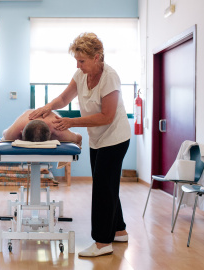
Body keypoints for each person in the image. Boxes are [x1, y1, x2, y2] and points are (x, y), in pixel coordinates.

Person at [29, 32, 131, 257]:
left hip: (115, 138)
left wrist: (71, 122)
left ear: (97, 57)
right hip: (98, 138)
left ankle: (103, 243)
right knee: (107, 184)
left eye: (82, 60)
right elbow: (64, 99)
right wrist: (48, 107)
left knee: (103, 187)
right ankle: (119, 230)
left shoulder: (109, 77)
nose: (78, 64)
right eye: (76, 59)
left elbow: (106, 116)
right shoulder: (81, 74)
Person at [2, 109, 82, 146]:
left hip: (52, 120)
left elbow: (78, 138)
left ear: (51, 134)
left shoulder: (57, 128)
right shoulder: (17, 129)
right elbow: (5, 134)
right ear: (21, 131)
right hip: (28, 116)